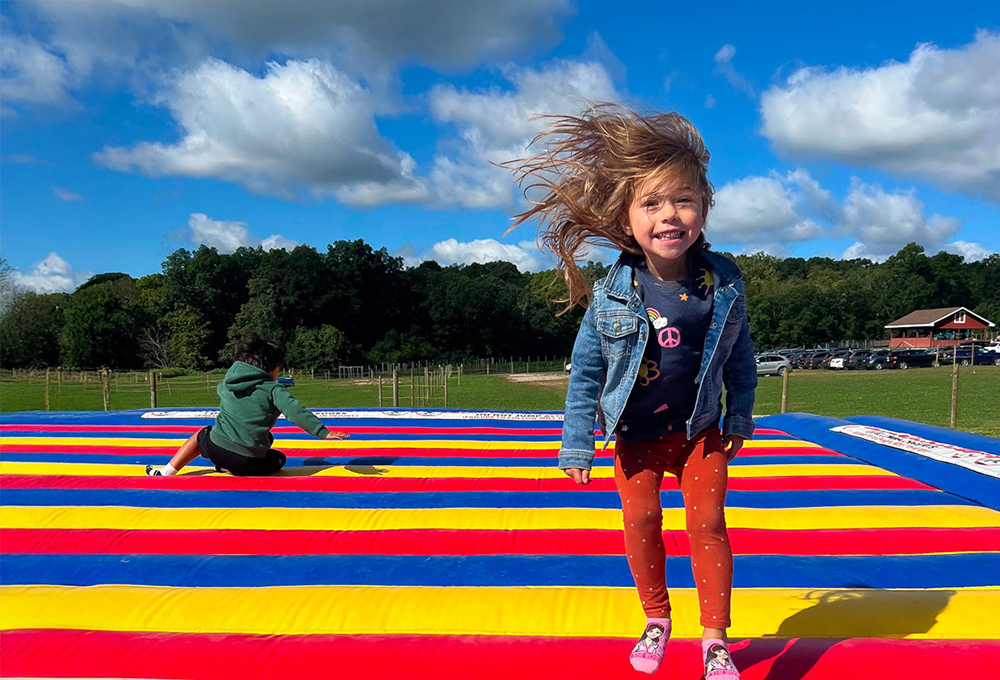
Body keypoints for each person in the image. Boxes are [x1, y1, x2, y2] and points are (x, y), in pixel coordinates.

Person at [508, 105, 755, 678]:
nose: (670, 215)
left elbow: (740, 358)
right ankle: (656, 618)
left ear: (704, 207)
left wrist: (739, 419)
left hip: (699, 433)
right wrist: (577, 443)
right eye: (652, 203)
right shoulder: (612, 293)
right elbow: (585, 374)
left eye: (684, 200)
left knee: (708, 525)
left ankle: (714, 640)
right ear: (626, 217)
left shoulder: (723, 283)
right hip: (636, 436)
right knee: (642, 523)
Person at [145, 332, 348, 477]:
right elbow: (295, 411)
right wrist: (322, 431)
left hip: (217, 450)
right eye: (278, 370)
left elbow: (220, 389)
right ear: (271, 369)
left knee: (201, 435)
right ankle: (231, 467)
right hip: (248, 461)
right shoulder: (273, 389)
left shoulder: (229, 383)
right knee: (279, 459)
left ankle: (167, 471)